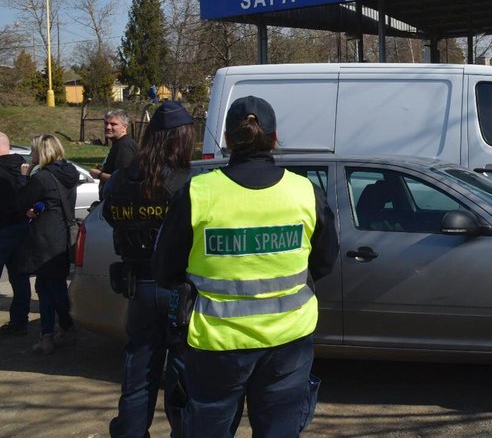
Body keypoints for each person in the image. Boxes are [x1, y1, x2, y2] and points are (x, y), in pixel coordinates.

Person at [153, 95, 339, 436]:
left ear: (226, 139)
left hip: (215, 346)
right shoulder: (305, 191)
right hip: (288, 343)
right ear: (274, 135)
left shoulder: (199, 192)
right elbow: (325, 260)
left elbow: (165, 269)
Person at [103, 101, 196, 437]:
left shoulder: (119, 181)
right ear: (182, 139)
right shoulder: (190, 183)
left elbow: (110, 218)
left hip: (139, 286)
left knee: (138, 377)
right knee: (183, 382)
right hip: (180, 292)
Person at [15, 134, 78, 355]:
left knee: (46, 286)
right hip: (62, 233)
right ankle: (64, 328)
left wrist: (25, 176)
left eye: (33, 151)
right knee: (55, 284)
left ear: (40, 152)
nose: (31, 155)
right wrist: (40, 205)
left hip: (44, 236)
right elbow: (55, 201)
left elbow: (21, 200)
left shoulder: (41, 177)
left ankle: (50, 333)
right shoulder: (69, 173)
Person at [0, 132, 31, 336]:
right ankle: (20, 322)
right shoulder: (23, 168)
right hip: (21, 227)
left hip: (3, 228)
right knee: (20, 278)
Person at [90, 109, 137, 198]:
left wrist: (99, 175)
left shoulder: (124, 146)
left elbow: (123, 180)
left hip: (120, 205)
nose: (108, 127)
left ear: (125, 127)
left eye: (113, 124)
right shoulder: (118, 144)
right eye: (106, 123)